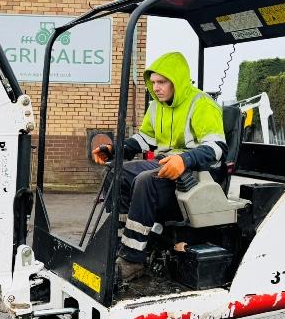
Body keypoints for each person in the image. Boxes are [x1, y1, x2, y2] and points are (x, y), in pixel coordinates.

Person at [92, 51, 227, 283]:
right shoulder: (156, 106)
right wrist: (115, 150)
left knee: (146, 180)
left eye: (162, 82)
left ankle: (133, 262)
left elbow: (217, 148)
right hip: (166, 163)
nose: (156, 88)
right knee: (117, 172)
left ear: (177, 81)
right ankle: (122, 243)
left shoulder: (202, 104)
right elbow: (145, 139)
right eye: (153, 82)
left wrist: (184, 160)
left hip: (196, 173)